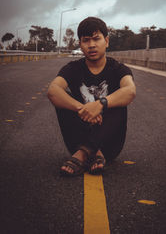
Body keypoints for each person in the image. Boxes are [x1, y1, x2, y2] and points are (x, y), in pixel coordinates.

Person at [48, 17, 136, 176]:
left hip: (109, 146)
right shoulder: (73, 68)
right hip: (77, 140)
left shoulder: (118, 68)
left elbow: (130, 90)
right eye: (86, 40)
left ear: (106, 41)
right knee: (63, 98)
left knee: (118, 99)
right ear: (80, 45)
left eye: (96, 39)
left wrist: (101, 104)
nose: (92, 45)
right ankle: (87, 151)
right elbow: (53, 90)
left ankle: (84, 153)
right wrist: (83, 108)